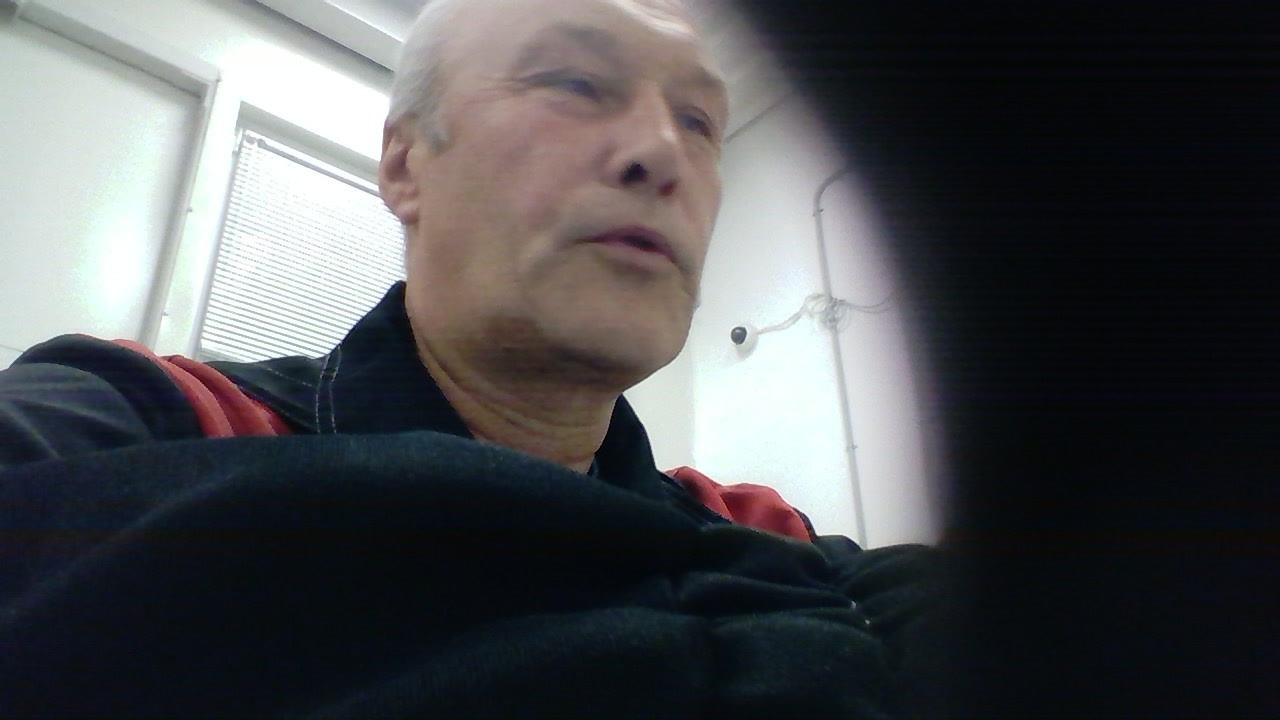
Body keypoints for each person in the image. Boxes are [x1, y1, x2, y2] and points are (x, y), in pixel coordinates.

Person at [0, 0, 947, 717]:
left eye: (700, 121)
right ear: (405, 164)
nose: (663, 152)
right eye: (574, 82)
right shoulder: (154, 420)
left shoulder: (766, 533)